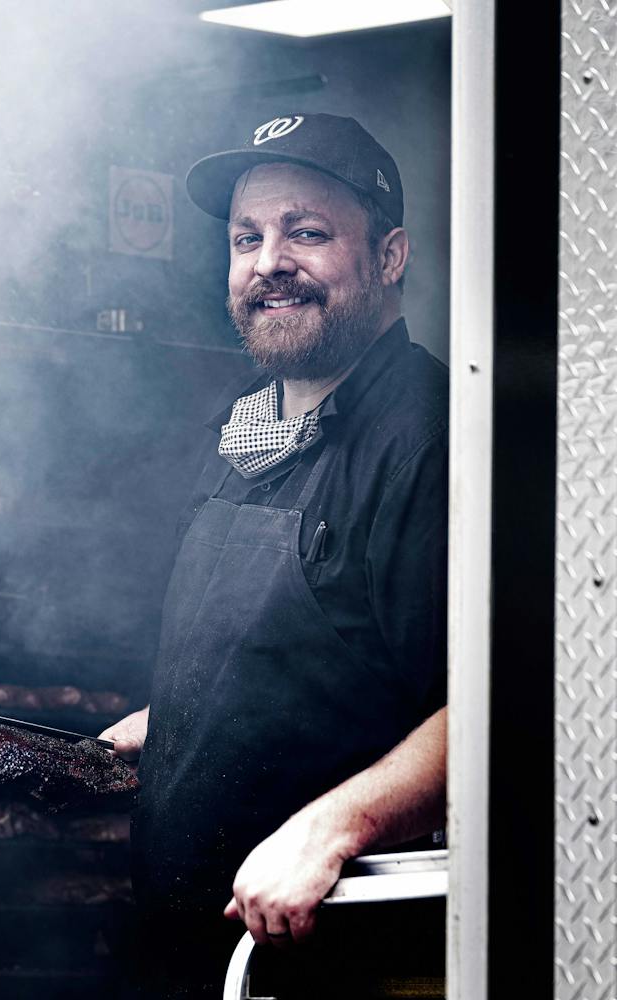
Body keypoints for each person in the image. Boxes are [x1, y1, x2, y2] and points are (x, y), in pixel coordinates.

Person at [100, 113, 448, 998]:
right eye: (246, 238)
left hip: (340, 961)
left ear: (390, 256)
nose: (270, 262)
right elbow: (320, 649)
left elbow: (502, 703)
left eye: (308, 233)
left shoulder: (430, 437)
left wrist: (333, 828)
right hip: (193, 954)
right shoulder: (246, 431)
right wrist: (187, 718)